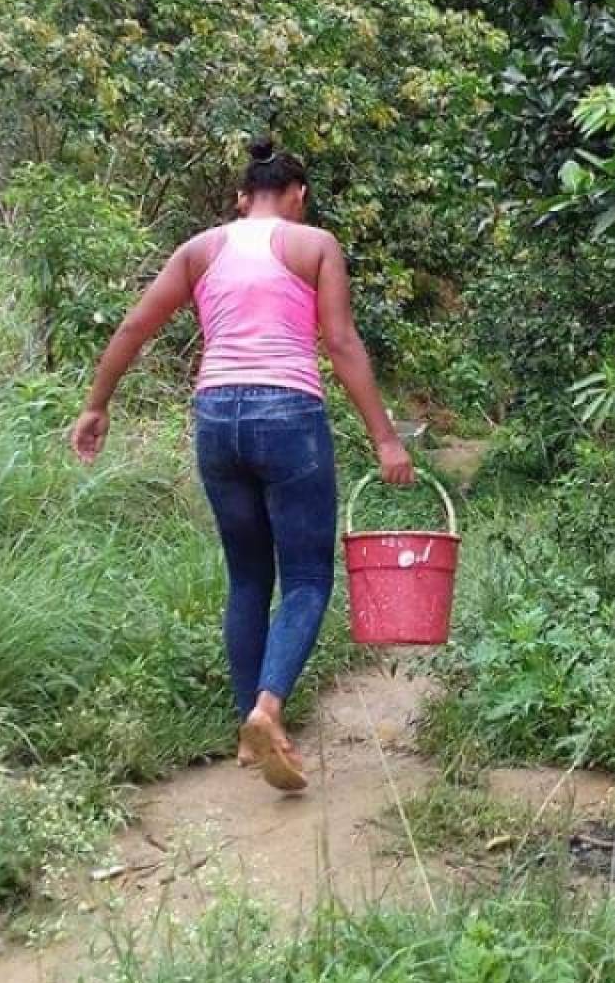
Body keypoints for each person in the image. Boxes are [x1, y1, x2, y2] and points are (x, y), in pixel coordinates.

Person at [70, 139, 414, 792]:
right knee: (308, 577)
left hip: (215, 418)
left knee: (247, 578)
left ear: (239, 198)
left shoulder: (200, 249)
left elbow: (134, 329)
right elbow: (340, 342)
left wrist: (96, 405)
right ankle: (267, 708)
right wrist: (386, 439)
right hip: (288, 415)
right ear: (298, 196)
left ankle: (250, 734)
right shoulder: (314, 245)